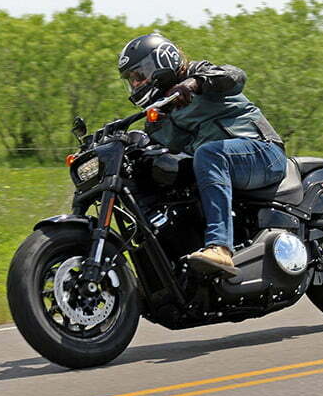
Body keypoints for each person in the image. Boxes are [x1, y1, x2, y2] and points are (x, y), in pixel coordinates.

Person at [118, 32, 287, 276]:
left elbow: (235, 76)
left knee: (208, 154)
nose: (135, 84)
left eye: (139, 75)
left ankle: (220, 247)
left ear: (161, 62)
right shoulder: (158, 117)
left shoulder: (198, 73)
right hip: (223, 164)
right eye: (131, 80)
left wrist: (194, 83)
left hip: (262, 151)